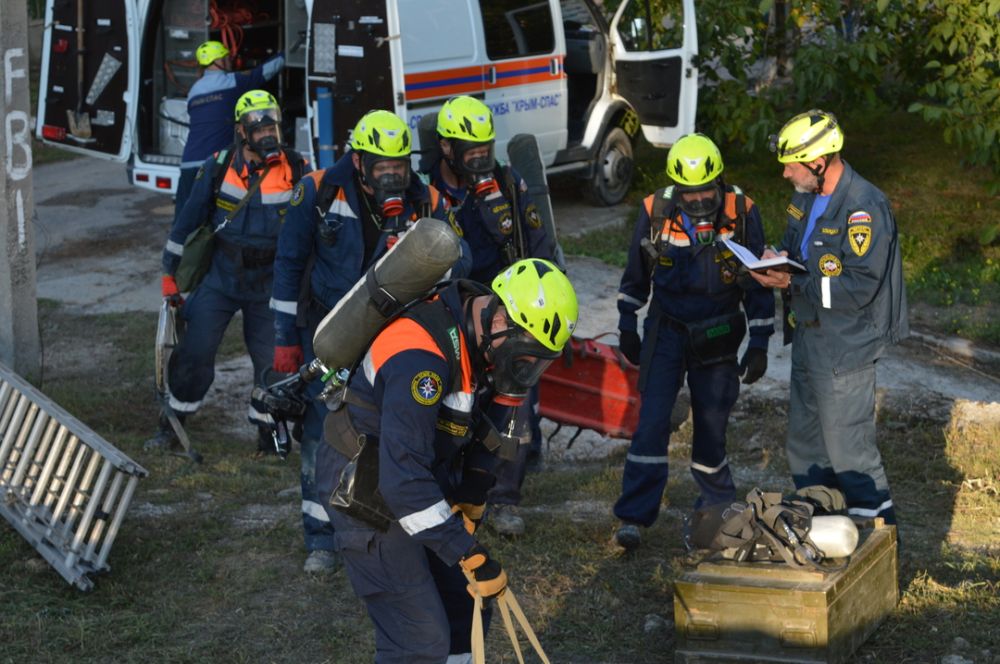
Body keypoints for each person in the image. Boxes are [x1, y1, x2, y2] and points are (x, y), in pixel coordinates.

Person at [315, 257, 578, 663]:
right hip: (365, 487)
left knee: (466, 603)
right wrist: (466, 551)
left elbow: (484, 430)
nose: (527, 372)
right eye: (527, 358)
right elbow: (402, 482)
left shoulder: (486, 344)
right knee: (419, 640)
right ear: (498, 321)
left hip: (414, 472)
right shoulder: (419, 358)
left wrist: (473, 489)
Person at [270, 109, 460, 574]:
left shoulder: (428, 199)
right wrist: (283, 340)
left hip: (395, 340)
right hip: (333, 336)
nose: (394, 175)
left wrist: (421, 254)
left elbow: (461, 255)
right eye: (383, 167)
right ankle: (320, 536)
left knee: (391, 431)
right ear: (359, 162)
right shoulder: (319, 191)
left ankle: (387, 525)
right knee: (321, 431)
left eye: (400, 165)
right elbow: (288, 264)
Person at [612, 133, 776, 550]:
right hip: (666, 329)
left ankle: (717, 507)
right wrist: (628, 323)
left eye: (707, 194)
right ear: (676, 190)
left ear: (720, 184)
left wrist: (759, 341)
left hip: (719, 330)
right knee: (651, 422)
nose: (700, 203)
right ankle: (634, 516)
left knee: (711, 422)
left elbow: (759, 279)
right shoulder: (655, 211)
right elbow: (636, 275)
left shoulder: (742, 211)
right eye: (691, 196)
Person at [750, 109, 907, 525]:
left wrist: (791, 283)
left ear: (819, 162)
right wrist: (775, 259)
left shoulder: (864, 207)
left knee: (850, 454)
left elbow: (859, 286)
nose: (785, 173)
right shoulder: (806, 197)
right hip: (808, 339)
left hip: (845, 348)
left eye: (791, 164)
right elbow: (797, 254)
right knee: (805, 447)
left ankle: (878, 547)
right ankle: (824, 533)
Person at [146, 90, 306, 456]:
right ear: (241, 130)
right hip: (221, 277)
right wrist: (170, 273)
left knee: (274, 363)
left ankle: (269, 440)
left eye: (273, 124)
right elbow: (185, 224)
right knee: (195, 352)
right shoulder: (219, 166)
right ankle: (171, 428)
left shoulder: (296, 169)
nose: (268, 133)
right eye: (258, 125)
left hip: (269, 283)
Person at [428, 95, 555, 536]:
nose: (481, 159)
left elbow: (537, 239)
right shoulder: (431, 190)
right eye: (471, 152)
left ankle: (503, 499)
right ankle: (452, 492)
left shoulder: (506, 180)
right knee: (457, 402)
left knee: (514, 404)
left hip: (510, 311)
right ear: (447, 149)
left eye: (486, 148)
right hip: (458, 311)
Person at [175, 41, 285, 224]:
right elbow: (264, 72)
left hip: (188, 163)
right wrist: (285, 54)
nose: (229, 61)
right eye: (226, 57)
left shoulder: (194, 90)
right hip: (214, 164)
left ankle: (180, 251)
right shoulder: (232, 82)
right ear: (218, 60)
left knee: (184, 218)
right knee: (217, 218)